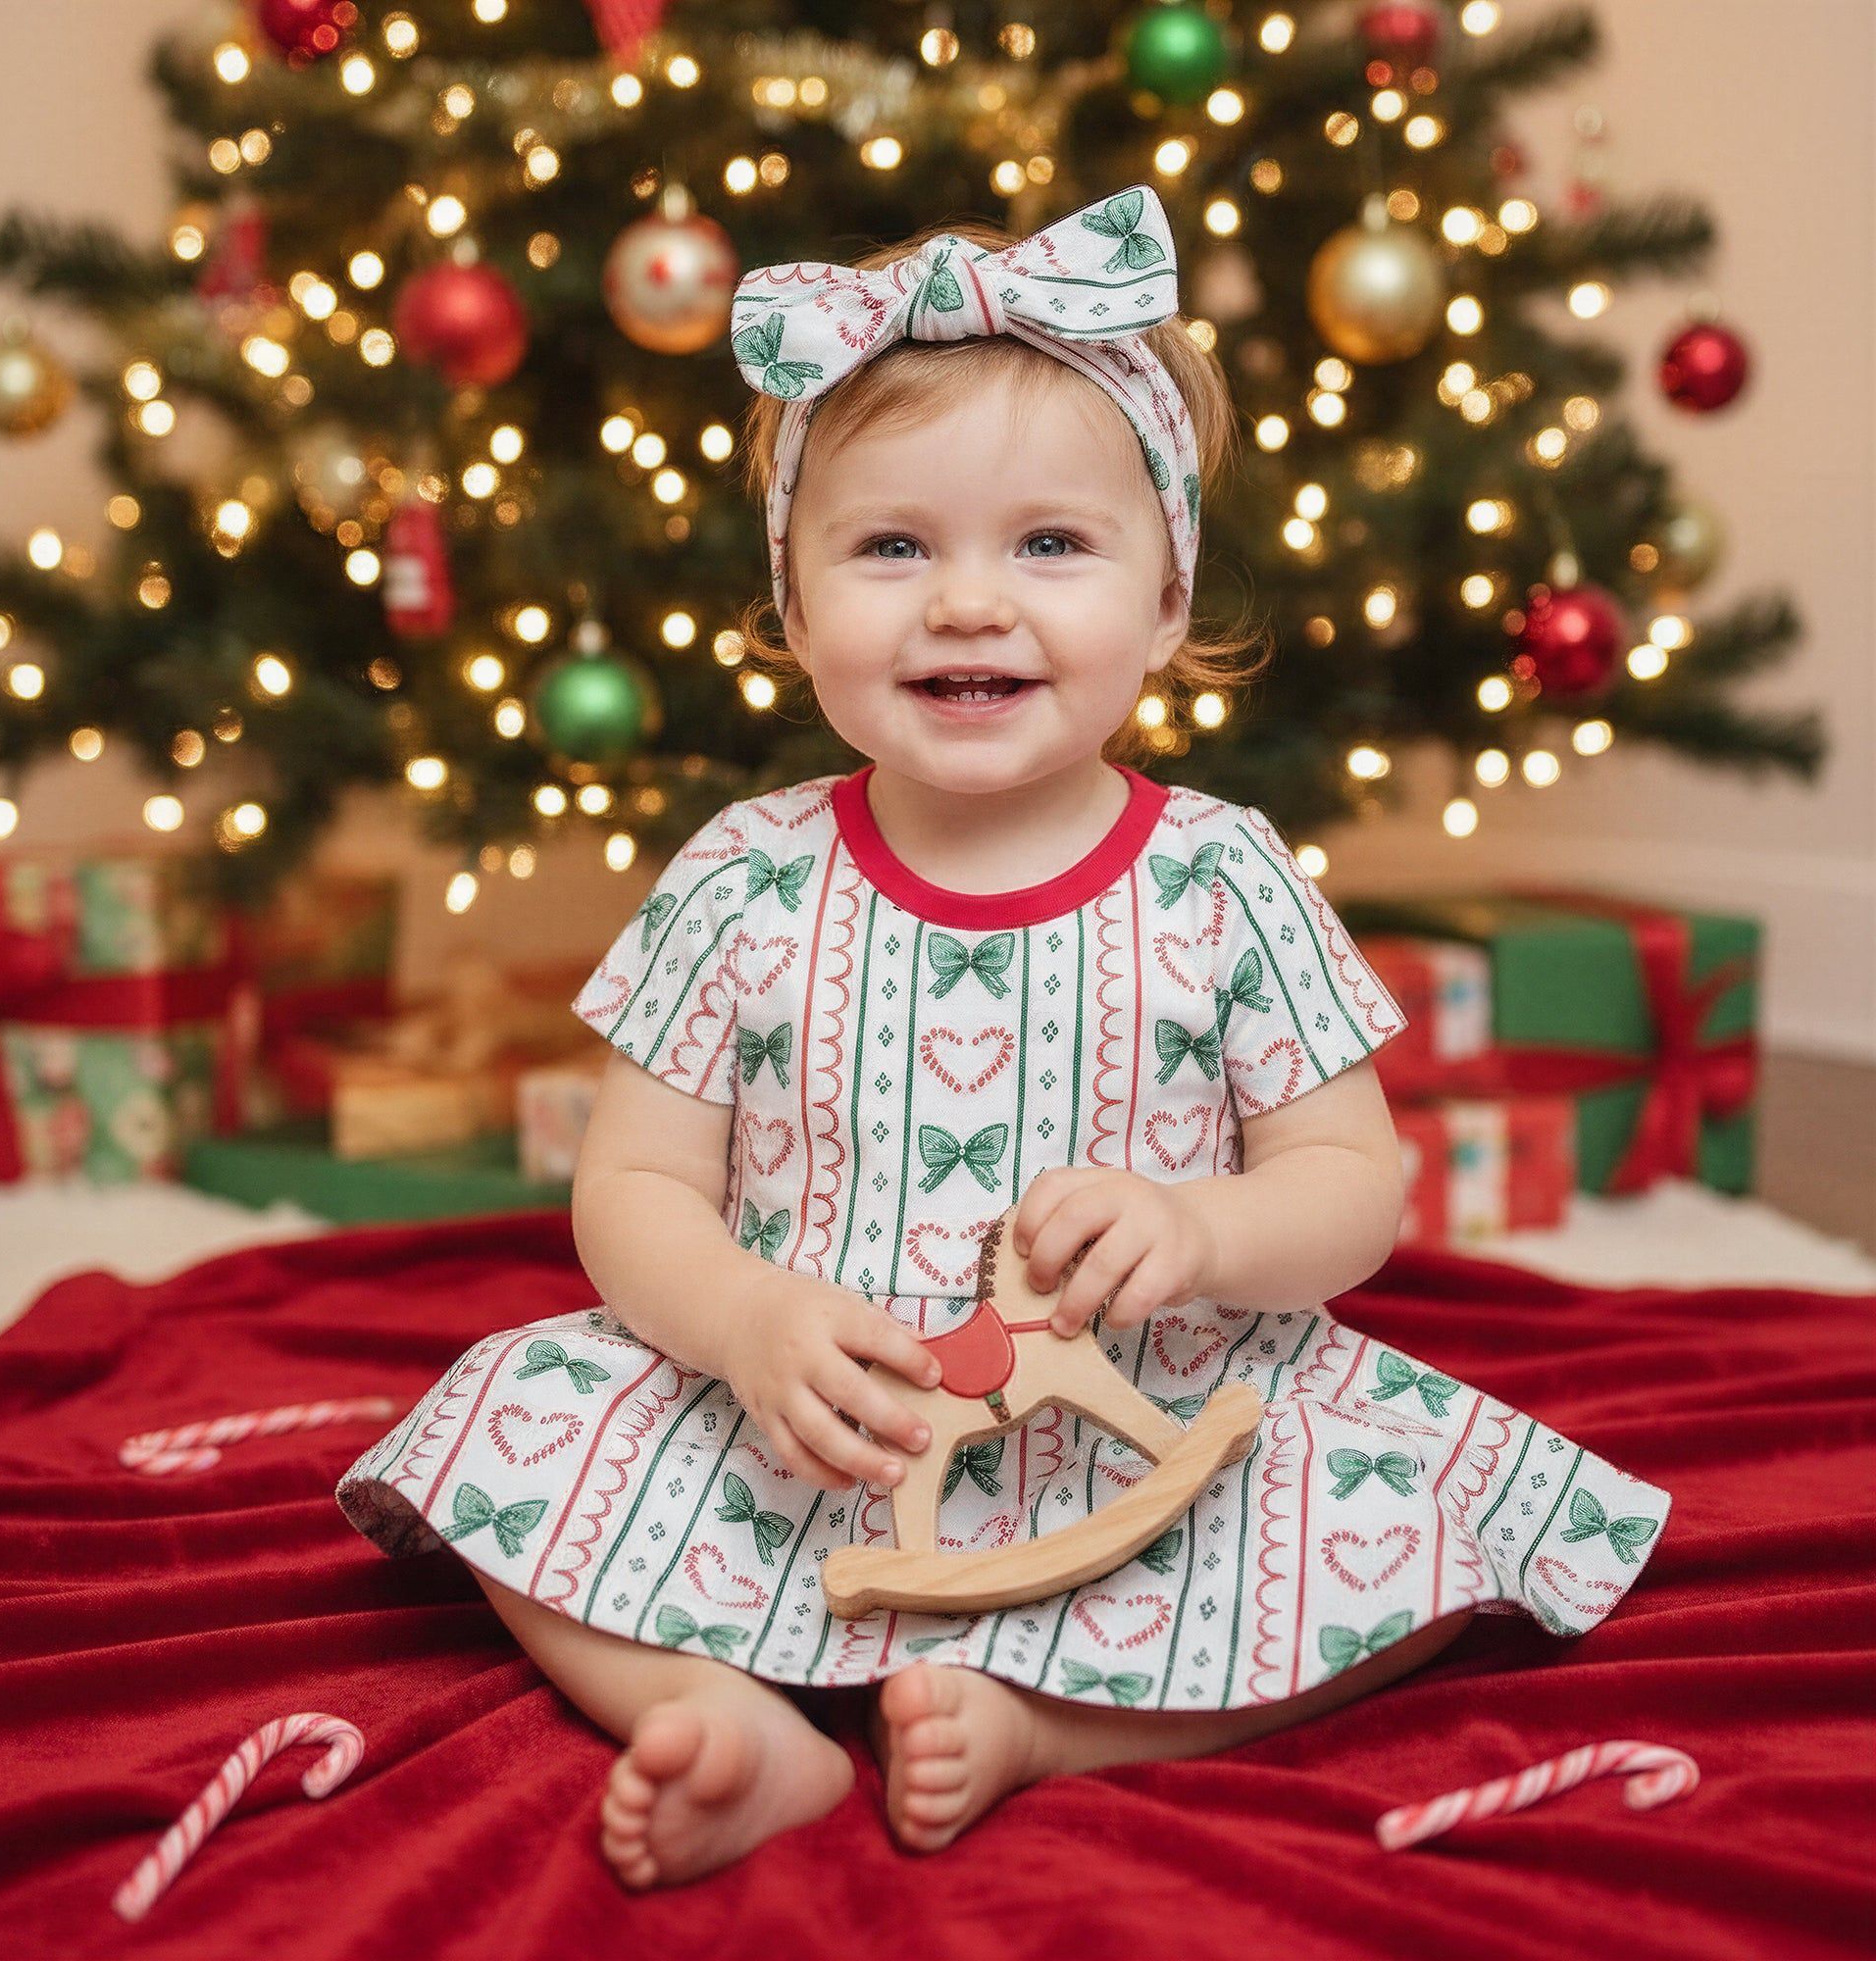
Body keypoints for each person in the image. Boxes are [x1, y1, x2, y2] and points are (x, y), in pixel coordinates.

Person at [336, 185, 1669, 1889]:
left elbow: (1353, 1186)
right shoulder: (745, 880)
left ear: (1169, 605)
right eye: (891, 548)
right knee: (502, 1427)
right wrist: (743, 1319)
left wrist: (1204, 1229)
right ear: (793, 606)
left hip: (1159, 1411)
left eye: (1051, 544)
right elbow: (635, 1192)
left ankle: (1058, 1726)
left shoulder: (1221, 877)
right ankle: (715, 1713)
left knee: (1424, 1527)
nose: (969, 604)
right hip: (806, 1418)